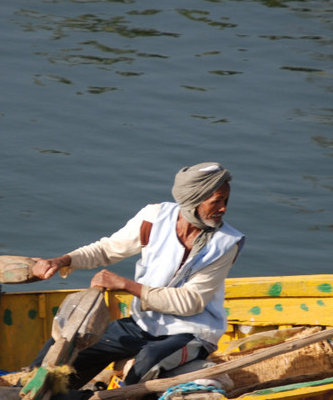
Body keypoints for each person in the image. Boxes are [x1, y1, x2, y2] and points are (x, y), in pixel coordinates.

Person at [31, 162, 245, 388]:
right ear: (193, 201)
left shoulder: (226, 243)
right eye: (217, 202)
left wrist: (124, 285)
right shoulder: (154, 218)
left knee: (147, 361)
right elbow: (106, 249)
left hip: (191, 332)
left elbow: (190, 302)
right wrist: (63, 261)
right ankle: (26, 394)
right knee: (64, 346)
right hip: (143, 323)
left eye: (225, 201)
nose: (223, 209)